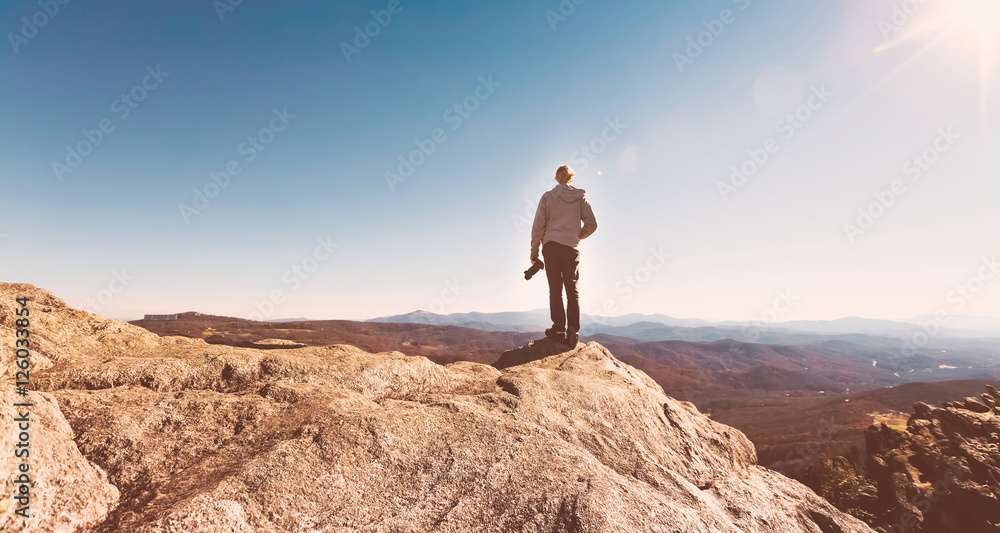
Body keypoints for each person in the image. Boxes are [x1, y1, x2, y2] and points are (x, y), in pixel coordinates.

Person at [530, 165, 598, 347]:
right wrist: (577, 235)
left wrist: (534, 253)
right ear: (571, 178)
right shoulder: (580, 198)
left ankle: (558, 329)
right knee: (572, 290)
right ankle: (573, 332)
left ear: (556, 178)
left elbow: (538, 228)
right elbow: (592, 224)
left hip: (551, 247)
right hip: (571, 249)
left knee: (555, 288)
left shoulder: (547, 197)